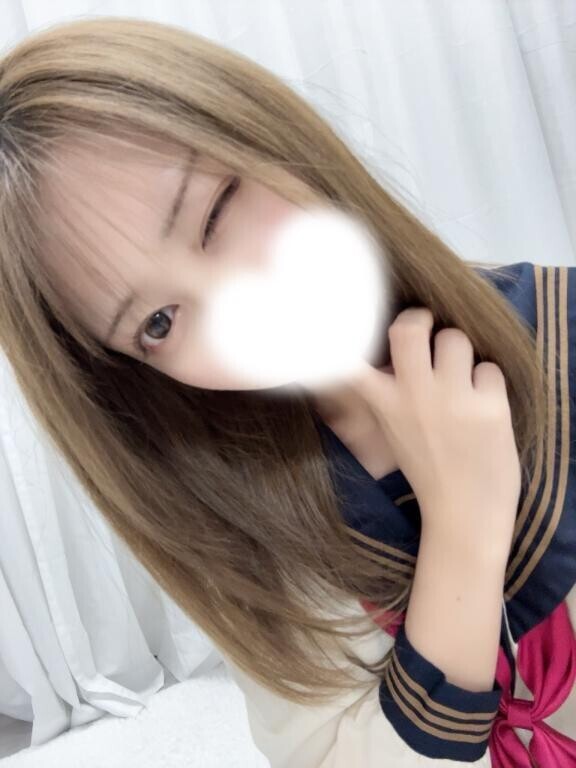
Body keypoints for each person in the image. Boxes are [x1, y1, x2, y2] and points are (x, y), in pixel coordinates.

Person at [0, 16, 573, 767]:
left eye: (214, 213)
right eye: (159, 322)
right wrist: (463, 524)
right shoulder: (250, 525)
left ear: (269, 136)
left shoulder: (558, 324)